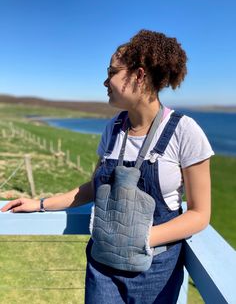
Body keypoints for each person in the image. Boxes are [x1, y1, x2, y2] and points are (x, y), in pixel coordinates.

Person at [1, 29, 214, 303]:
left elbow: (199, 214)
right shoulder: (113, 129)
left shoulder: (184, 132)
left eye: (111, 72)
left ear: (138, 75)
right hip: (102, 269)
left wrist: (140, 238)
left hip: (155, 271)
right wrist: (40, 204)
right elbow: (94, 187)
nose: (105, 81)